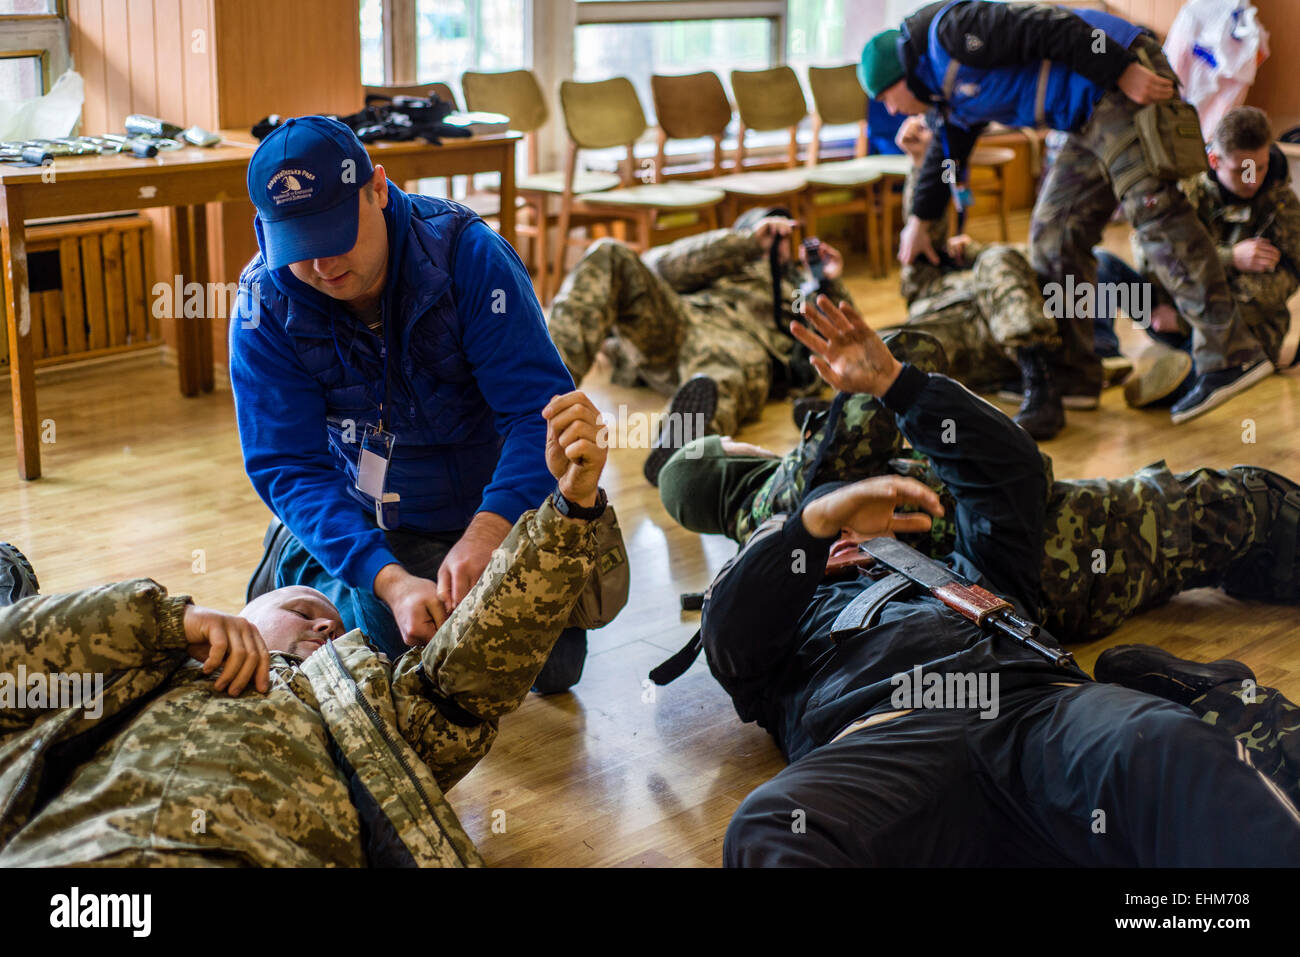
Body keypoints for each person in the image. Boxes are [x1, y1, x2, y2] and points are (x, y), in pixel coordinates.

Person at [696, 295, 1300, 866]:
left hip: (1034, 709)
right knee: (772, 827)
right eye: (832, 533)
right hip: (886, 740)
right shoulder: (778, 612)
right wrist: (811, 523)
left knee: (1168, 746)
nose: (849, 534)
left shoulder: (960, 574)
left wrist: (898, 385)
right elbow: (732, 635)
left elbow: (1010, 478)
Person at [0, 391, 622, 867]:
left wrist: (571, 507)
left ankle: (307, 549)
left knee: (380, 614)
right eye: (303, 613)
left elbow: (474, 671)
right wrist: (165, 619)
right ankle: (299, 548)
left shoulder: (371, 712)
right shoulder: (143, 667)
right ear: (240, 616)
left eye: (329, 623)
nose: (325, 627)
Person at [228, 116, 592, 693]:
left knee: (551, 672)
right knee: (398, 641)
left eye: (334, 237)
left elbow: (534, 416)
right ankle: (311, 556)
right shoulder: (263, 303)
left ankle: (318, 567)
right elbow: (288, 465)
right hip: (374, 513)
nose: (323, 267)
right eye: (300, 248)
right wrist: (390, 580)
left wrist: (489, 529)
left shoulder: (468, 257)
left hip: (489, 499)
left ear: (376, 189)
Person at [659, 322, 1300, 649]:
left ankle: (1257, 571)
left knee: (1224, 546)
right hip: (1056, 545)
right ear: (734, 461)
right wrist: (874, 376)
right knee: (1244, 500)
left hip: (1009, 595)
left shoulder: (767, 553)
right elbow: (918, 349)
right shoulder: (800, 485)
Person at [860, 0, 1274, 425]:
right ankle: (1075, 373)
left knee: (1155, 212)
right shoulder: (945, 99)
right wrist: (918, 222)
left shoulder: (954, 34)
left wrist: (1121, 69)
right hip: (1087, 115)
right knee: (1054, 237)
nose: (890, 111)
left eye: (886, 98)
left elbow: (1049, 25)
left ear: (902, 74)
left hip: (1120, 77)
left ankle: (1231, 354)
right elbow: (946, 150)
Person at [545, 210, 854, 484]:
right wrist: (745, 244)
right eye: (774, 232)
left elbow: (845, 339)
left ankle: (681, 447)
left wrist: (828, 281)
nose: (780, 241)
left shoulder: (798, 289)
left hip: (742, 342)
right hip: (678, 322)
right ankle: (544, 399)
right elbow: (657, 266)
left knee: (717, 376)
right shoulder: (722, 260)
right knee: (608, 252)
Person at [1094, 106, 1300, 408]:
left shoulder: (1282, 207)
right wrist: (1230, 258)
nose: (1253, 179)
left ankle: (1202, 367)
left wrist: (1182, 320)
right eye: (1242, 169)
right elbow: (1149, 251)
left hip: (1232, 332)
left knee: (1180, 393)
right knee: (1102, 264)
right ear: (1214, 161)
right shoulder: (1185, 190)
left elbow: (1276, 287)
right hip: (1163, 312)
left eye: (1261, 167)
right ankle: (1105, 354)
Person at [890, 115, 1076, 439]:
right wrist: (921, 162)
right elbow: (916, 246)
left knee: (996, 258)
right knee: (886, 346)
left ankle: (1041, 384)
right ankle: (843, 406)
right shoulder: (925, 289)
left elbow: (1039, 258)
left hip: (1016, 324)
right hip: (952, 317)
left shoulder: (1009, 264)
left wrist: (978, 251)